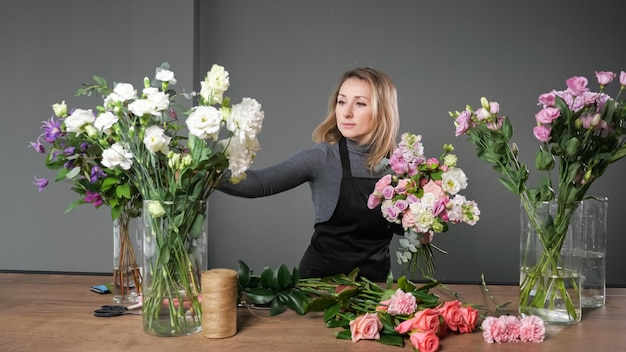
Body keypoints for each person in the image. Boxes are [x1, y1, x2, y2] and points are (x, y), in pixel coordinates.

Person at [218, 67, 400, 281]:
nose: (346, 112)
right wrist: (200, 170)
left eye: (359, 103)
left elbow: (404, 228)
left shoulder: (400, 166)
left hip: (375, 288)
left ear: (382, 111)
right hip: (319, 288)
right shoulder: (322, 158)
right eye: (342, 101)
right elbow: (260, 183)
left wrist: (424, 227)